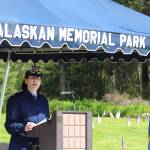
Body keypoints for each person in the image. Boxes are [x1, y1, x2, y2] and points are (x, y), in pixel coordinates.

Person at [4, 65, 50, 150]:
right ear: (26, 80)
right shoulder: (15, 99)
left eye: (38, 78)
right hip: (21, 145)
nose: (36, 80)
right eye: (32, 77)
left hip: (40, 145)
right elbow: (9, 125)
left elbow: (47, 120)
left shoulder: (44, 101)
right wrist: (23, 127)